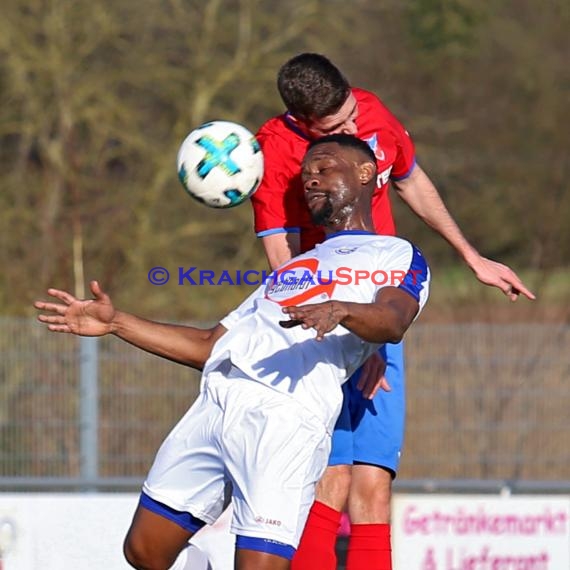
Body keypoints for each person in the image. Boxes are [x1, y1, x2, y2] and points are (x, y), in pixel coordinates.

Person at [34, 134, 430, 570]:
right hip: (218, 404)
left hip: (286, 419)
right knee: (144, 551)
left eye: (325, 167)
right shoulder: (298, 266)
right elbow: (210, 345)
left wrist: (341, 310)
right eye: (306, 174)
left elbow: (393, 321)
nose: (311, 179)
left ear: (365, 173)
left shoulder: (398, 254)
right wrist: (116, 323)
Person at [250, 53, 535, 570]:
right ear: (303, 124)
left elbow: (412, 182)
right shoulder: (276, 152)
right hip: (321, 329)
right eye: (338, 128)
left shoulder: (372, 111)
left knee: (375, 485)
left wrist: (471, 257)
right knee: (330, 479)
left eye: (352, 111)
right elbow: (281, 260)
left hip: (381, 319)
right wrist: (352, 338)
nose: (355, 128)